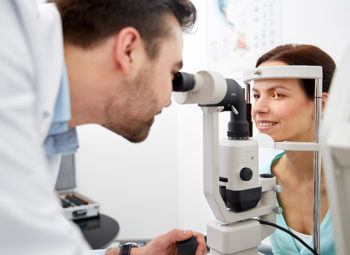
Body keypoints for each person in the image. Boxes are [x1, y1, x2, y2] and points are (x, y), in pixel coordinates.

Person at [0, 1, 207, 255]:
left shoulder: (48, 123)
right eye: (172, 74)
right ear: (129, 50)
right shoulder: (7, 43)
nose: (168, 98)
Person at [251, 44, 336, 254]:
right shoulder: (262, 177)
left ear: (321, 104)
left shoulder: (343, 180)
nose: (259, 108)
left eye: (277, 95)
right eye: (256, 95)